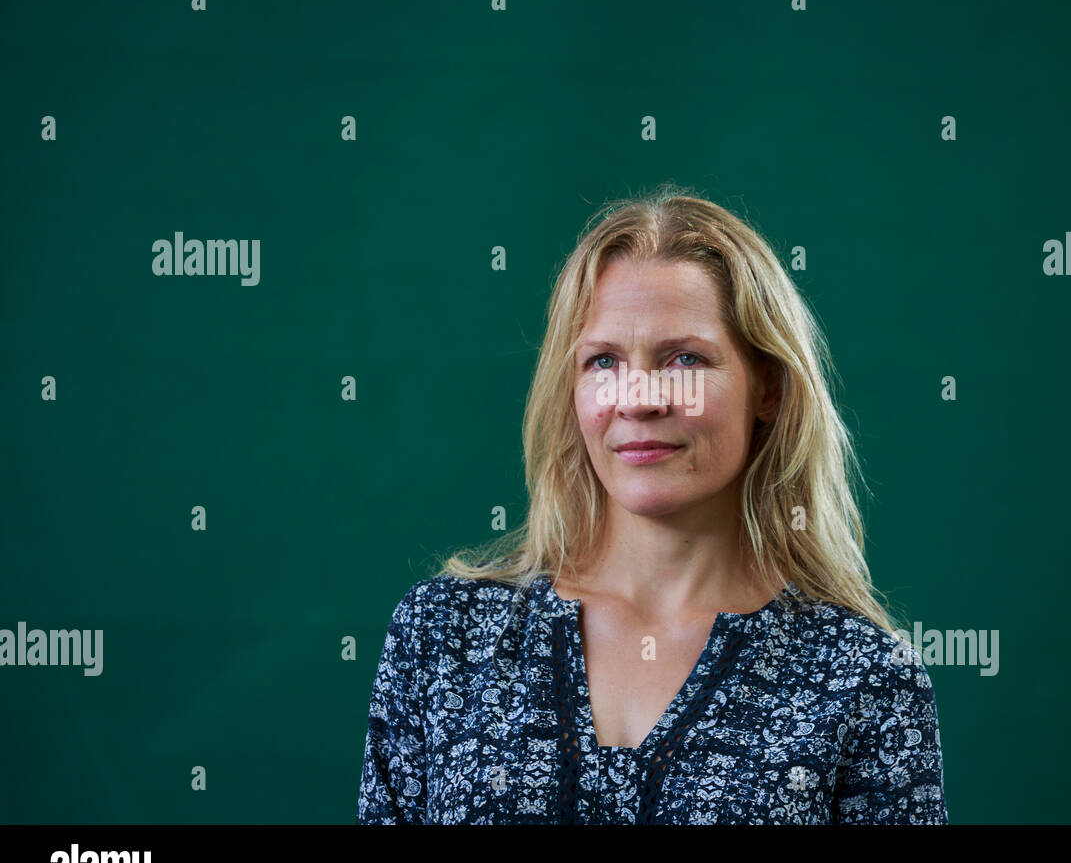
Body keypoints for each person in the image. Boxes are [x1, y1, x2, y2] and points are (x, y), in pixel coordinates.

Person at [357, 184, 948, 824]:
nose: (638, 399)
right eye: (604, 361)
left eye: (685, 360)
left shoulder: (862, 678)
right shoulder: (444, 638)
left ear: (768, 389)